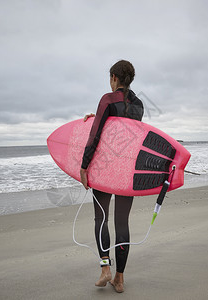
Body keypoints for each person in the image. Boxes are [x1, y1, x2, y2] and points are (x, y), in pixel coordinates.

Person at [80, 60, 144, 293]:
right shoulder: (139, 105)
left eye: (110, 78)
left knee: (101, 219)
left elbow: (96, 136)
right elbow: (127, 135)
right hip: (128, 170)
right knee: (122, 223)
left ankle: (105, 268)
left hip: (105, 170)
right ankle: (119, 278)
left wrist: (84, 167)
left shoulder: (107, 99)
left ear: (114, 78)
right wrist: (97, 116)